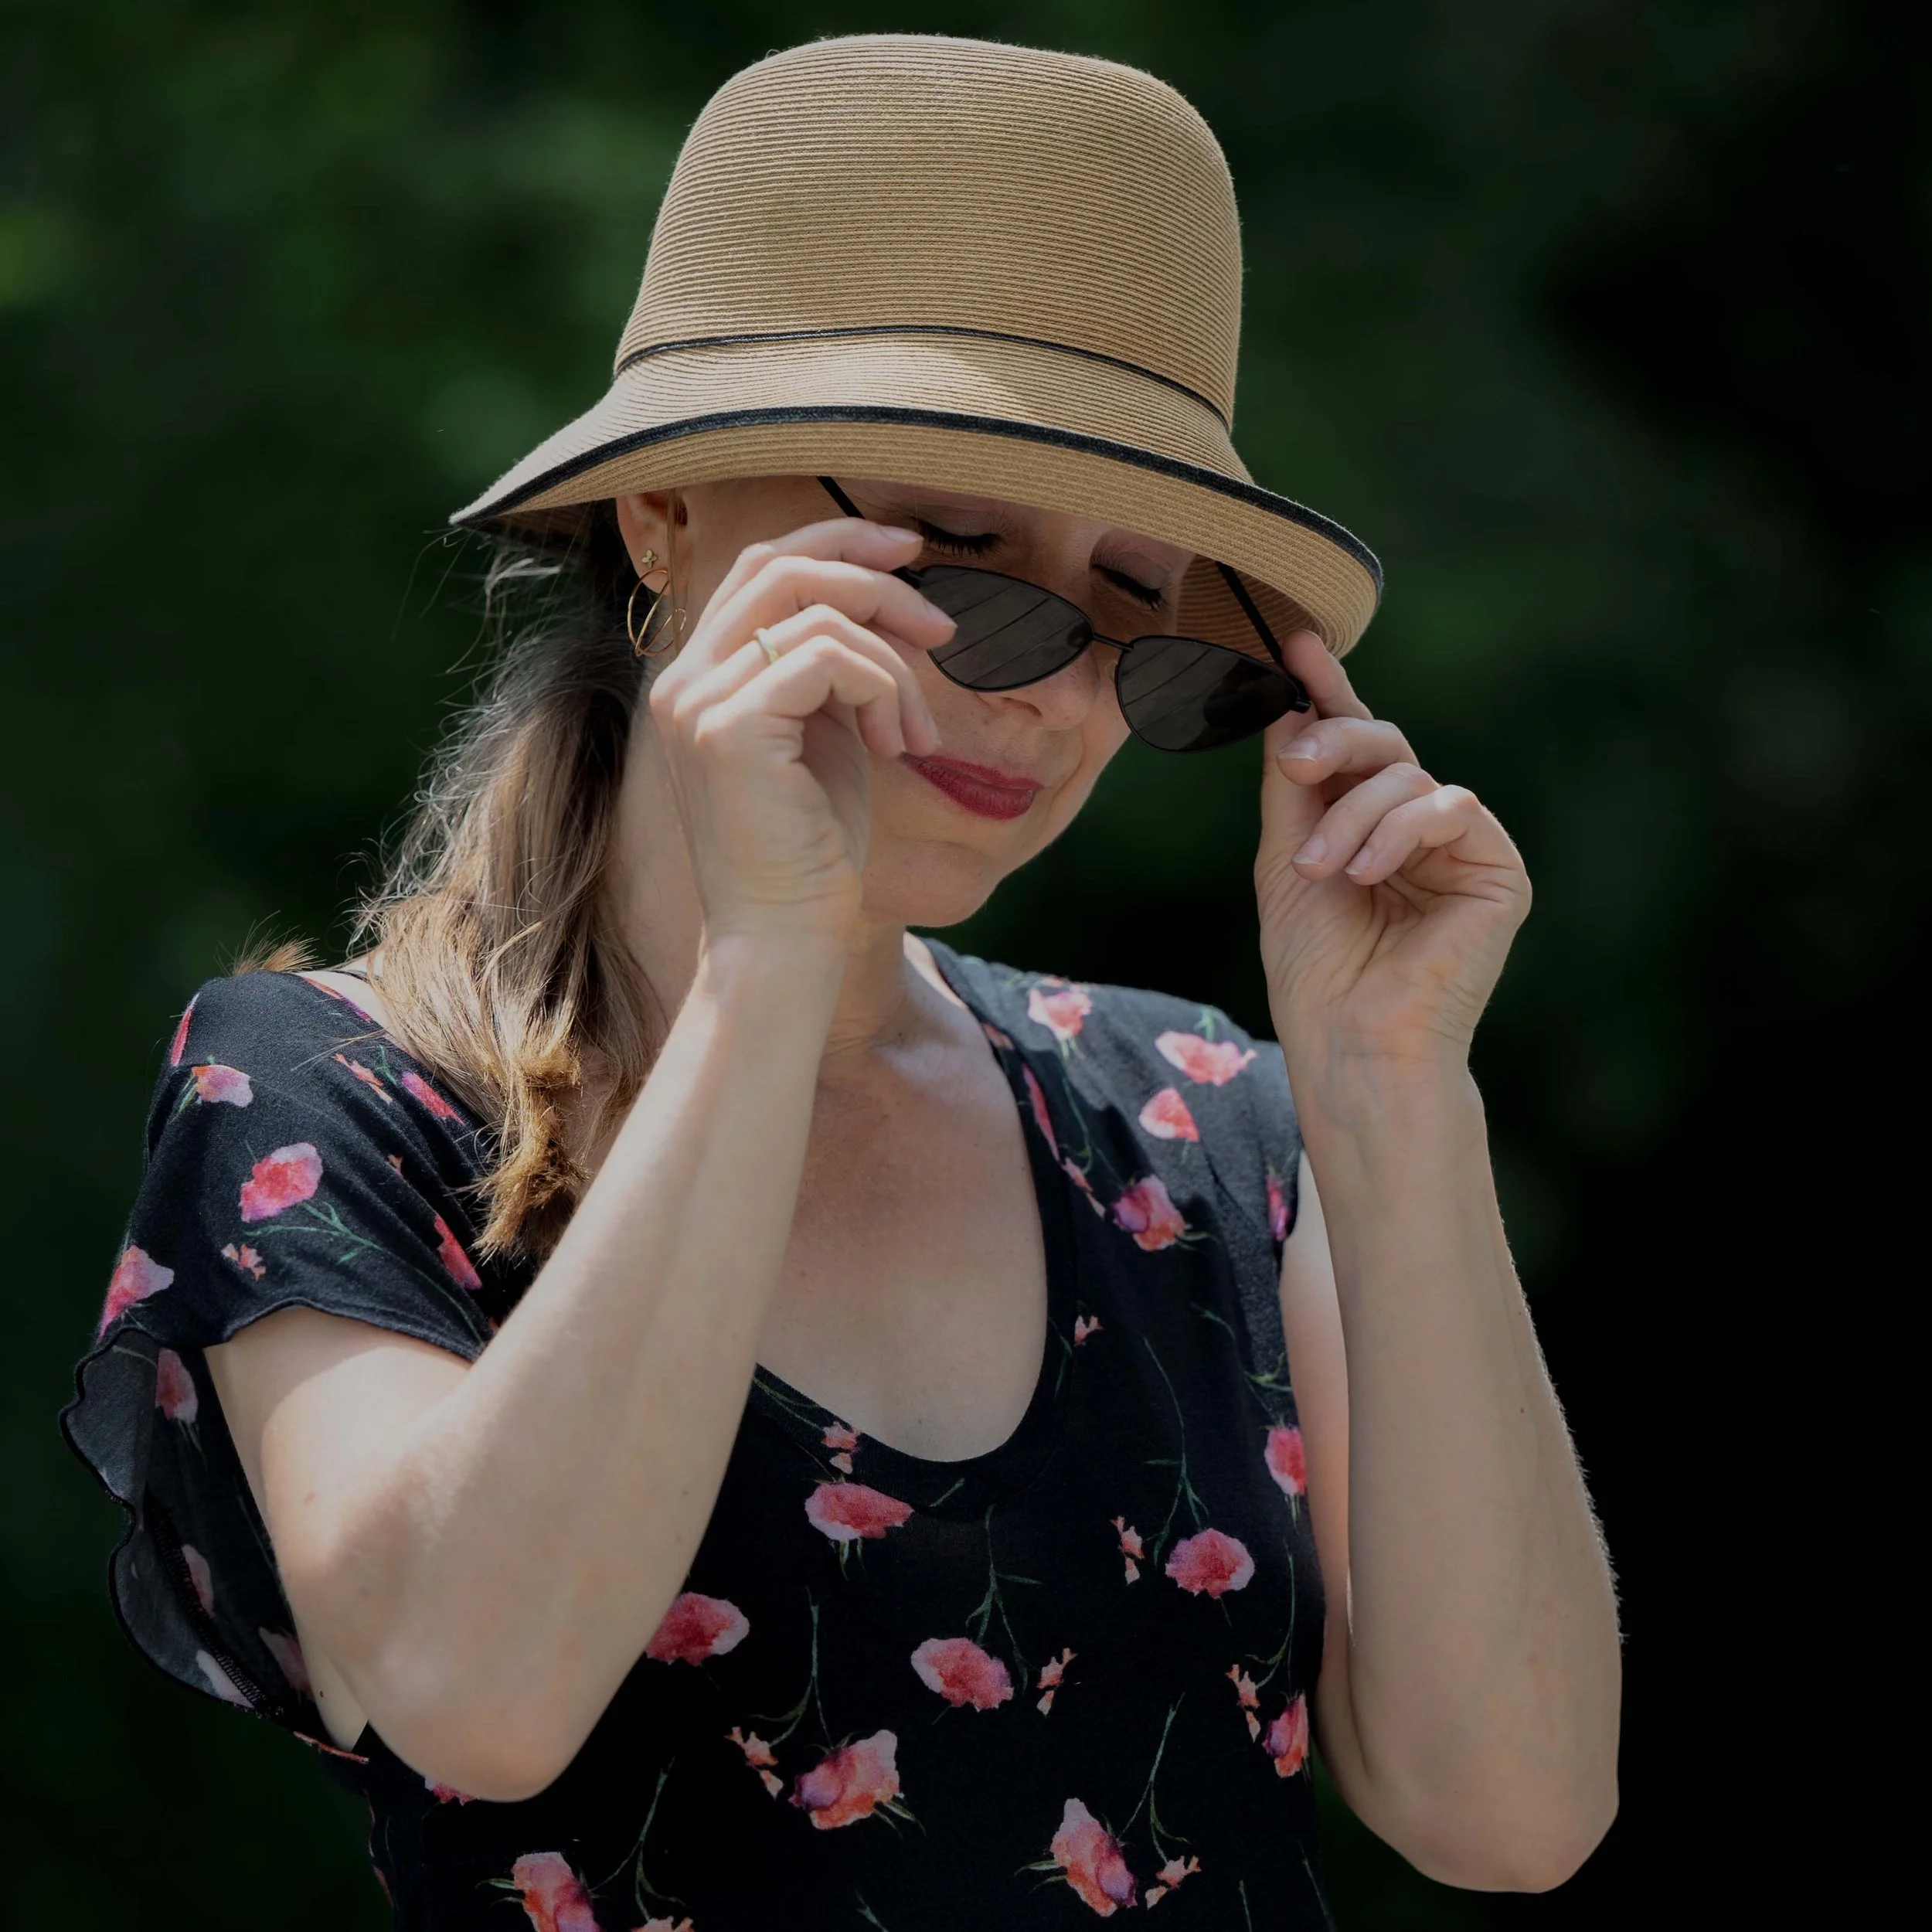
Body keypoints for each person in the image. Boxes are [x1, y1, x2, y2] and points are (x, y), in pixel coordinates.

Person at [60, 33, 1619, 1930]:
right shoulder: (333, 1096)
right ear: (663, 517)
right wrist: (766, 968)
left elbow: (1508, 1810)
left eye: (1138, 609)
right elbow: (472, 1686)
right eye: (962, 554)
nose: (1054, 692)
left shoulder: (1213, 1121)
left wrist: (1393, 1097)